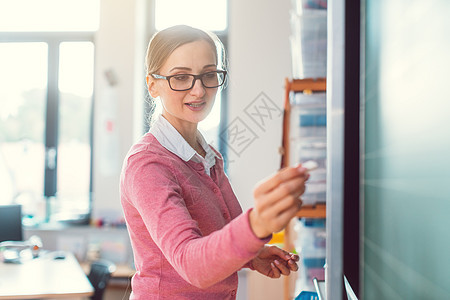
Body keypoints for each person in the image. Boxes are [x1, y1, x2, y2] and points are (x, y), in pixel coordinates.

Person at [120, 25, 309, 299]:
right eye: (181, 77)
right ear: (153, 85)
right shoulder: (148, 165)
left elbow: (215, 237)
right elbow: (192, 264)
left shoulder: (208, 155)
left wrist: (251, 255)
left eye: (209, 75)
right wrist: (257, 224)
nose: (198, 91)